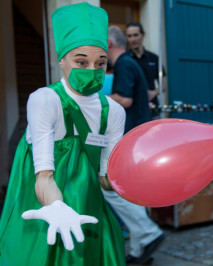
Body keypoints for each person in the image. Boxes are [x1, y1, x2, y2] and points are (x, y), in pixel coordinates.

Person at [0, 3, 126, 265]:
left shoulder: (114, 112)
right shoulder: (45, 100)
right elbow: (44, 176)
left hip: (87, 207)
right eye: (81, 61)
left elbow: (105, 179)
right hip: (41, 203)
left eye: (100, 63)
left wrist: (139, 181)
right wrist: (56, 206)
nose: (91, 69)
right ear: (62, 61)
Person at [105, 25, 165, 265]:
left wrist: (91, 100)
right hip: (136, 136)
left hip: (130, 136)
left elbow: (124, 99)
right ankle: (141, 249)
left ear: (108, 44)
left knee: (112, 187)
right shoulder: (129, 62)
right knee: (129, 191)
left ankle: (148, 234)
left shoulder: (123, 64)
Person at [126, 21, 167, 120]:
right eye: (129, 36)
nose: (133, 39)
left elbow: (164, 84)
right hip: (132, 112)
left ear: (142, 35)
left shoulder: (154, 58)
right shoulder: (124, 59)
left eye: (135, 35)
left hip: (152, 110)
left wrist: (154, 92)